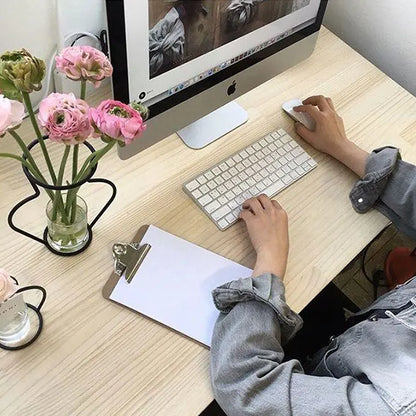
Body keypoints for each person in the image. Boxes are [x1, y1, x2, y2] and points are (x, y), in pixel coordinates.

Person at [210, 96, 416, 416]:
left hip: (305, 380)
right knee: (324, 303)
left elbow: (249, 389)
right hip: (350, 343)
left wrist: (270, 261)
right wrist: (341, 147)